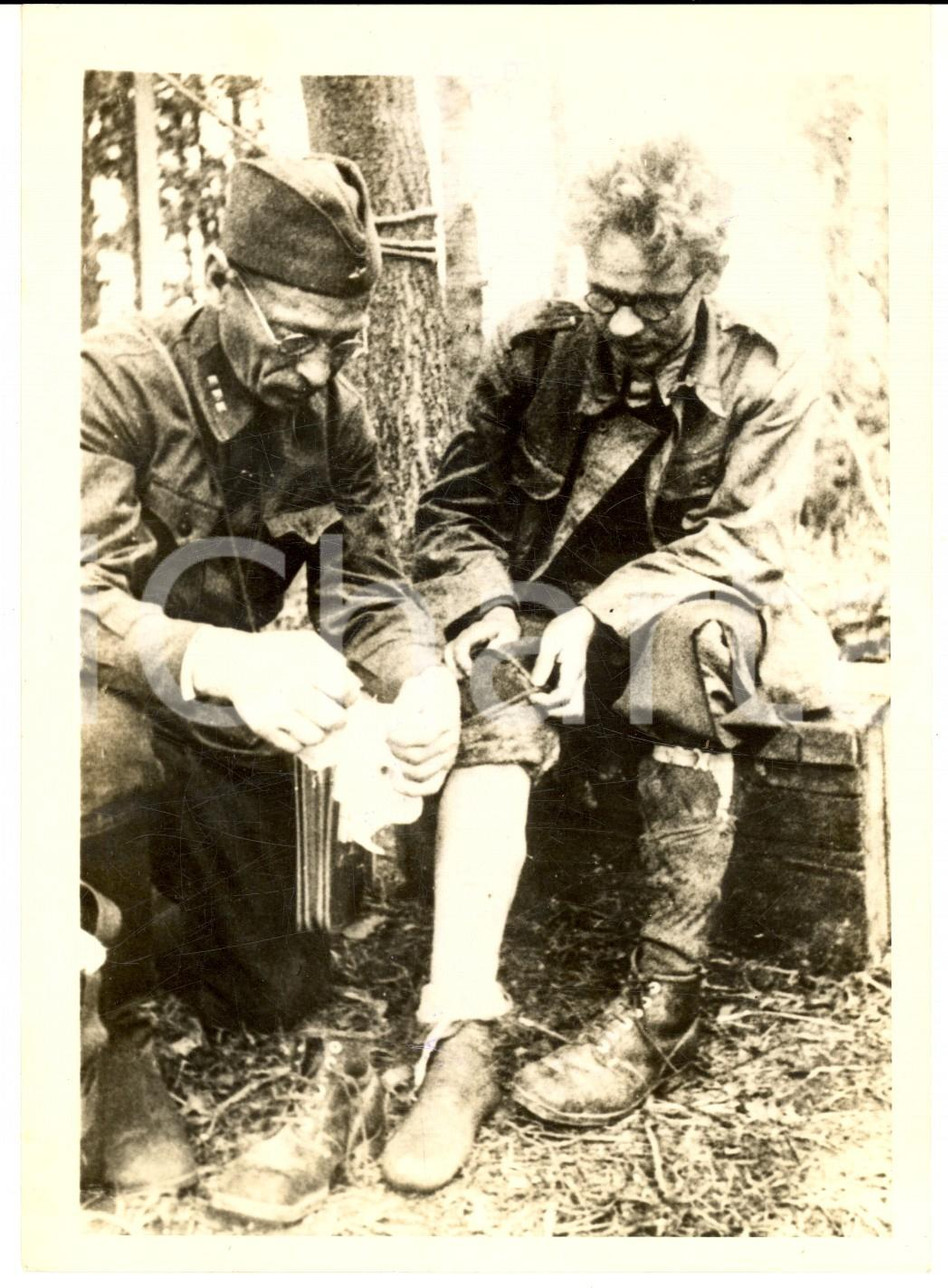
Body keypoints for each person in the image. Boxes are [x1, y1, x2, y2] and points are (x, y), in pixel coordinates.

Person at [379, 136, 838, 1193]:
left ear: (706, 282)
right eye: (605, 295)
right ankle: (461, 1028)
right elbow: (450, 515)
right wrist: (488, 612)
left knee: (690, 647)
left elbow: (747, 543)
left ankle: (660, 1004)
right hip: (546, 625)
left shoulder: (765, 373)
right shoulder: (539, 351)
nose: (623, 323)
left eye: (654, 301)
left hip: (695, 614)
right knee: (486, 676)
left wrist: (603, 608)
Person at [81, 153, 460, 1206]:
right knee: (89, 742)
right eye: (296, 334)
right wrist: (218, 654)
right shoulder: (112, 379)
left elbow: (368, 581)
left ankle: (137, 922)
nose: (318, 368)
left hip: (216, 726)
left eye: (344, 343)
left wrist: (420, 674)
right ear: (221, 277)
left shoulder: (331, 417)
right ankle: (118, 1039)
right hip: (106, 702)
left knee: (277, 986)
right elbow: (59, 601)